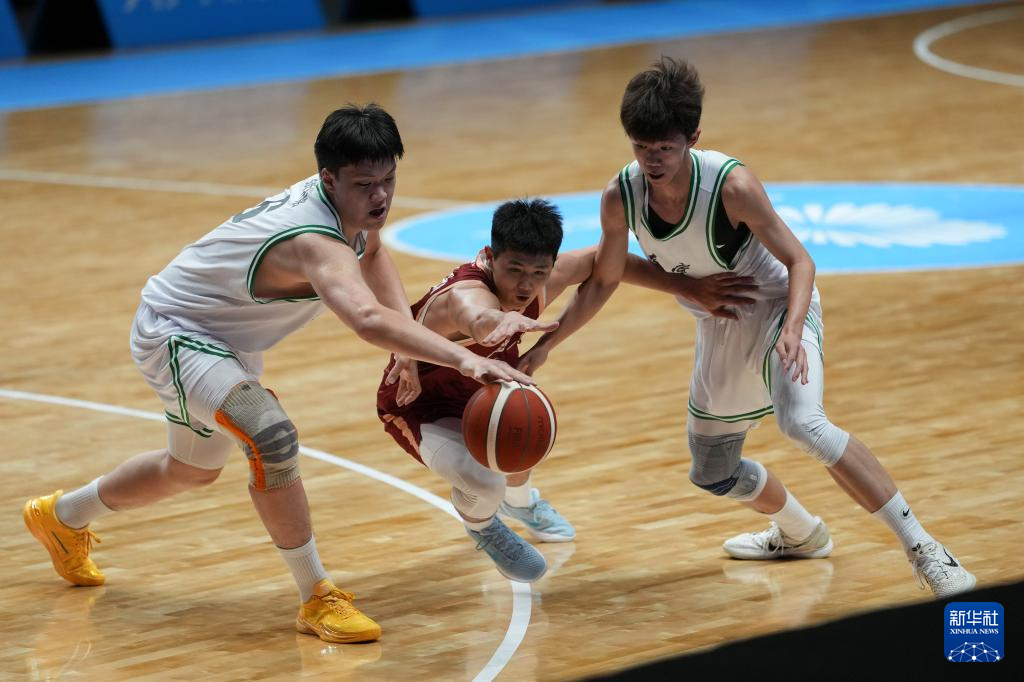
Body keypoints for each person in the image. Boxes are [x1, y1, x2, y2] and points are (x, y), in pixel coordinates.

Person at [22, 103, 534, 643]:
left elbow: (374, 252)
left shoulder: (350, 211)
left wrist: (407, 346)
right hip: (178, 331)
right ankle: (316, 596)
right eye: (365, 185)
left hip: (226, 343)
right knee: (270, 435)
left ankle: (62, 517)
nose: (381, 196)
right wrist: (461, 356)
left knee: (189, 470)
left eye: (388, 179)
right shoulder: (314, 239)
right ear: (328, 179)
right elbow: (364, 319)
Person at [519, 57, 975, 597]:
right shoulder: (621, 195)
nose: (651, 160)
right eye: (641, 147)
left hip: (780, 302)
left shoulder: (731, 186)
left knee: (802, 423)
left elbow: (801, 261)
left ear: (693, 138)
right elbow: (604, 279)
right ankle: (801, 533)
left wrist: (794, 327)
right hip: (723, 319)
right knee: (712, 471)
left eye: (664, 147)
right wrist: (547, 346)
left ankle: (927, 550)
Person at [377, 199, 591, 582]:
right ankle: (483, 527)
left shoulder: (541, 280)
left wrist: (684, 283)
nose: (526, 285)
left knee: (521, 429)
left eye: (538, 272)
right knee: (486, 483)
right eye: (515, 270)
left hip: (481, 389)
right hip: (420, 403)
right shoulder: (465, 294)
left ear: (551, 265)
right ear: (491, 258)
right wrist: (498, 320)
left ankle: (521, 504)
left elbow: (609, 261)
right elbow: (476, 316)